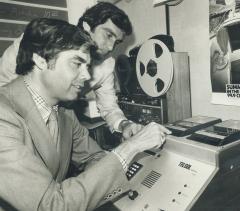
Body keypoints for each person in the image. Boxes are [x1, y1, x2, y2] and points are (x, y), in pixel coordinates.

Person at [0, 18, 170, 211]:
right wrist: (130, 147)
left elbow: (94, 158)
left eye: (87, 66)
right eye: (76, 63)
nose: (87, 76)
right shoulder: (3, 117)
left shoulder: (64, 111)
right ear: (40, 59)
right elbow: (51, 205)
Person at [0, 2, 142, 140]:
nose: (111, 47)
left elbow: (109, 106)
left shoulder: (107, 64)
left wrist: (124, 125)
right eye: (108, 35)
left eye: (116, 42)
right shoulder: (39, 39)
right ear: (87, 26)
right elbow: (3, 87)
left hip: (62, 122)